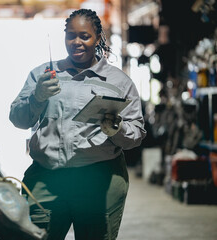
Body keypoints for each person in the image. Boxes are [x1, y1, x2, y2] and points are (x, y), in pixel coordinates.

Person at [9, 9, 146, 240]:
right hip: (47, 177)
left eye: (85, 36)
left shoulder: (118, 82)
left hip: (99, 178)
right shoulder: (42, 76)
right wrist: (37, 97)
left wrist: (117, 129)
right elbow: (18, 119)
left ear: (98, 38)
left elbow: (137, 134)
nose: (76, 42)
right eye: (71, 36)